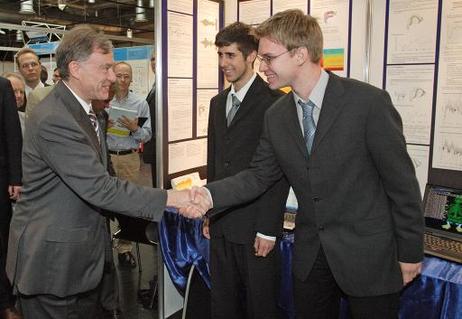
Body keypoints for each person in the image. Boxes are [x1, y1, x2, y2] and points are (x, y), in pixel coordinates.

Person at [189, 9, 424, 319]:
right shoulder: (277, 115)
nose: (262, 66)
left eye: (269, 58)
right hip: (311, 257)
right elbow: (259, 175)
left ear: (299, 54)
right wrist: (209, 196)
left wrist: (409, 252)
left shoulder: (367, 103)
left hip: (367, 256)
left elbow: (401, 184)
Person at [6, 24, 203, 319]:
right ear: (75, 68)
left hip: (82, 262)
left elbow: (104, 182)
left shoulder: (88, 112)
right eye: (105, 68)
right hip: (54, 269)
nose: (112, 76)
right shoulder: (55, 118)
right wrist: (176, 198)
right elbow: (100, 188)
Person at [203, 22, 288, 319]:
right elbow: (215, 162)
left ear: (251, 55)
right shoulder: (217, 103)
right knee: (223, 302)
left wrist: (268, 228)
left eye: (230, 55)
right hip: (223, 222)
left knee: (260, 305)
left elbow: (278, 174)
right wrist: (209, 213)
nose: (223, 63)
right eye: (220, 55)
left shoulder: (276, 104)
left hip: (256, 227)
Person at [107, 61, 152, 269]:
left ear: (131, 79)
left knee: (127, 204)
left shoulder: (140, 104)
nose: (122, 80)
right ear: (112, 76)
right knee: (102, 203)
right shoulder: (103, 100)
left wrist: (135, 129)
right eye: (119, 75)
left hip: (128, 158)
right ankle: (103, 248)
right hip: (105, 157)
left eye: (126, 76)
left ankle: (124, 249)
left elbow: (147, 134)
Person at [0, 77, 22, 319]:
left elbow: (12, 133)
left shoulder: (2, 86)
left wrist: (16, 178)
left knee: (3, 242)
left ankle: (5, 300)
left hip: (2, 179)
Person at [142, 51, 157, 186]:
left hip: (161, 146)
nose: (154, 63)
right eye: (152, 59)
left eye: (157, 59)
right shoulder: (155, 85)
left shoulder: (165, 86)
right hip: (152, 143)